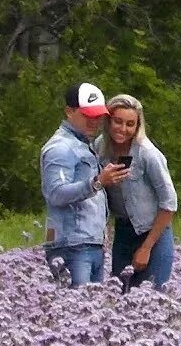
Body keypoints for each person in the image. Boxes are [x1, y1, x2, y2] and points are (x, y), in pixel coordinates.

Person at [40, 82, 129, 286]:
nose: (94, 121)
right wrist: (97, 182)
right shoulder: (60, 148)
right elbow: (55, 193)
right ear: (69, 112)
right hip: (72, 245)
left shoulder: (83, 144)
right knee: (77, 311)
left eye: (97, 116)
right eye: (87, 115)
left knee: (92, 311)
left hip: (90, 244)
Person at [96, 94, 178, 290]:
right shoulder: (99, 147)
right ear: (108, 121)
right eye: (118, 121)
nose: (123, 129)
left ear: (137, 126)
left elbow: (169, 203)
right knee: (120, 294)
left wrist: (146, 248)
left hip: (153, 235)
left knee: (152, 296)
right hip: (123, 233)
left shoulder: (147, 153)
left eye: (130, 124)